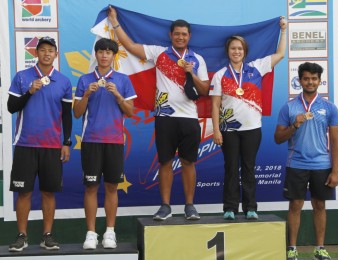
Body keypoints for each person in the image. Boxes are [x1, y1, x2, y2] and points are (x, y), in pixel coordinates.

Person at [108, 6, 210, 220]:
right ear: (170, 35)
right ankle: (165, 206)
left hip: (190, 117)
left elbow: (204, 91)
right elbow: (130, 46)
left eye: (184, 34)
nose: (180, 37)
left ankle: (190, 206)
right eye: (177, 34)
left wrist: (191, 73)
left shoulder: (198, 59)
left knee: (188, 162)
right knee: (165, 162)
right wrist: (115, 22)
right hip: (164, 117)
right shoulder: (159, 53)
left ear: (189, 36)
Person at [210, 17, 287, 220]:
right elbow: (215, 105)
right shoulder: (219, 75)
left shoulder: (257, 67)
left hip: (252, 127)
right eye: (233, 48)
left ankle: (251, 207)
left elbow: (280, 54)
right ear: (228, 51)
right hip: (229, 129)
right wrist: (216, 130)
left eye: (240, 49)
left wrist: (284, 31)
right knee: (231, 168)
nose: (236, 52)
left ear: (245, 51)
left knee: (248, 168)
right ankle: (230, 208)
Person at [7, 36, 72, 252]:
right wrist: (30, 91)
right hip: (25, 144)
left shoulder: (63, 81)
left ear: (55, 54)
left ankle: (47, 235)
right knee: (23, 192)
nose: (46, 53)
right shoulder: (23, 77)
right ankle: (21, 236)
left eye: (50, 50)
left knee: (48, 192)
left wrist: (66, 142)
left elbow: (67, 116)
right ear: (36, 53)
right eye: (42, 50)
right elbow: (11, 107)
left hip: (52, 146)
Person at [73, 38, 136, 249]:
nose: (104, 55)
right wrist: (87, 94)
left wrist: (118, 95)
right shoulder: (84, 80)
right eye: (101, 51)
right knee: (90, 187)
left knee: (111, 187)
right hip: (91, 140)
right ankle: (90, 233)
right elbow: (76, 112)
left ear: (113, 56)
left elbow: (131, 111)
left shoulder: (123, 80)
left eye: (109, 52)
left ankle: (110, 232)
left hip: (115, 141)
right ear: (96, 54)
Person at [274, 62, 338, 260]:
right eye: (306, 78)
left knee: (320, 205)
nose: (310, 82)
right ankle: (292, 248)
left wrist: (335, 171)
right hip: (296, 164)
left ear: (319, 81)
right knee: (295, 205)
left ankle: (320, 248)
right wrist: (294, 124)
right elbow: (278, 138)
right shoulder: (289, 107)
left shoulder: (329, 107)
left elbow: (336, 140)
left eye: (314, 78)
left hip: (322, 165)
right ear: (300, 80)